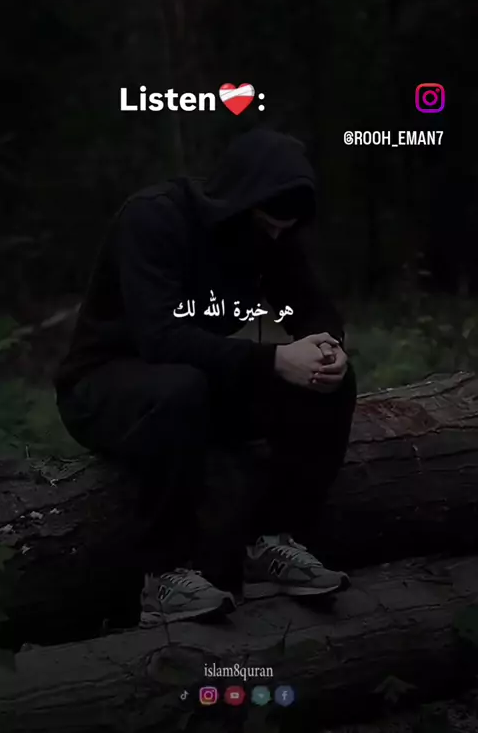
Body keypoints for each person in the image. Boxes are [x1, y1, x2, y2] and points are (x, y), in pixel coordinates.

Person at [54, 128, 357, 626]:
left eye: (284, 230)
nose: (275, 239)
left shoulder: (273, 231)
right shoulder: (154, 217)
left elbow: (313, 305)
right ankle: (162, 577)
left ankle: (271, 543)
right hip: (102, 386)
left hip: (196, 381)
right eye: (267, 227)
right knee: (181, 388)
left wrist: (327, 347)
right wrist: (274, 360)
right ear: (238, 203)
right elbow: (159, 338)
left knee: (328, 382)